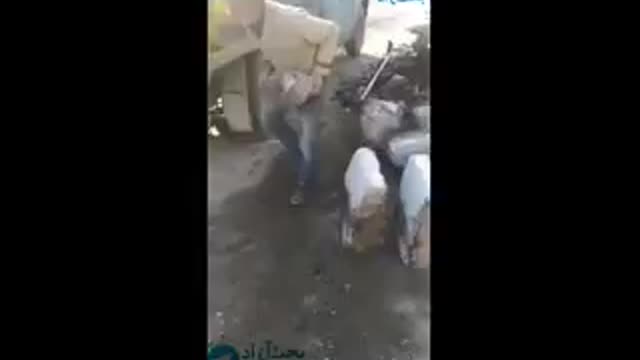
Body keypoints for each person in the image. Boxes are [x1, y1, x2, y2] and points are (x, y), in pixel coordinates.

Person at [259, 0, 339, 206]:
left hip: (309, 80)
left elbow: (331, 31)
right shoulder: (245, 22)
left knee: (309, 138)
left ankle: (308, 185)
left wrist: (319, 72)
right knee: (272, 122)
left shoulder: (289, 18)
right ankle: (298, 159)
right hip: (284, 79)